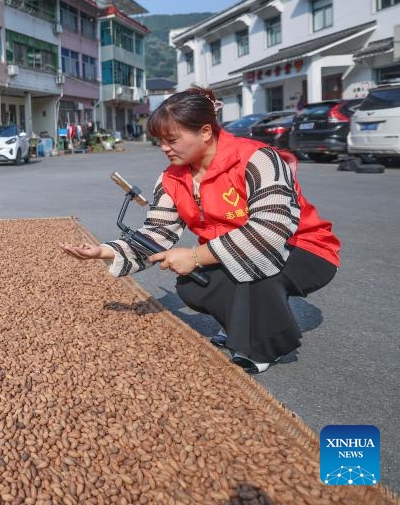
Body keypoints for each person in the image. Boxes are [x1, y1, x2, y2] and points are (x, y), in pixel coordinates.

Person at [60, 88, 339, 373]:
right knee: (193, 284)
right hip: (235, 249)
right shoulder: (172, 178)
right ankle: (241, 325)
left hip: (303, 248)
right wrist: (103, 251)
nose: (164, 148)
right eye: (160, 141)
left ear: (205, 131)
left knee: (254, 268)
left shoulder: (257, 158)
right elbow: (157, 232)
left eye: (172, 140)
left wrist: (195, 256)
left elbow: (271, 230)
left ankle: (265, 345)